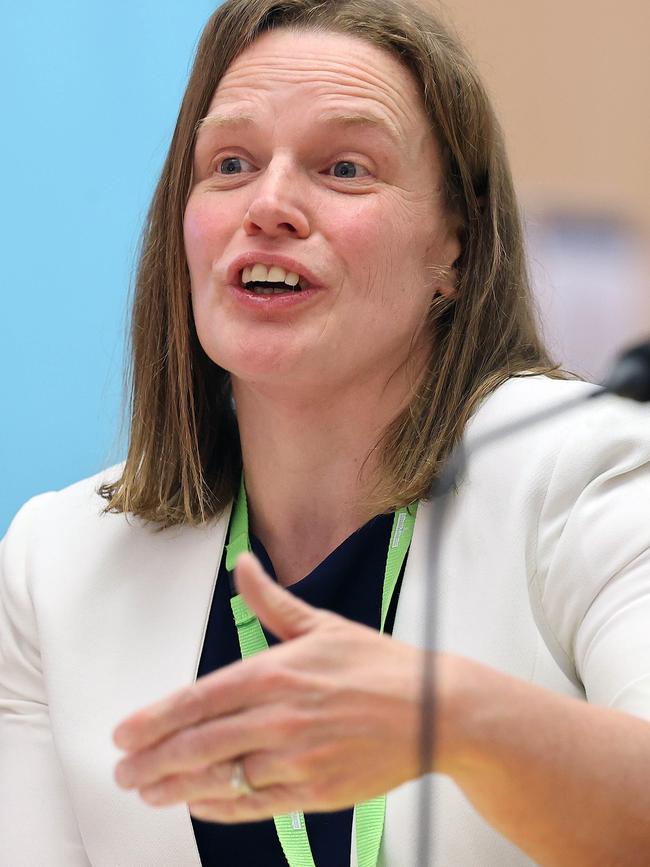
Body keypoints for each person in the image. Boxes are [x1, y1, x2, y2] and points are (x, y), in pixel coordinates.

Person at [1, 0, 649, 865]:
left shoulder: (590, 468)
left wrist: (451, 718)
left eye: (344, 168)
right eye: (230, 163)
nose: (268, 205)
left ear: (455, 245)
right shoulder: (56, 561)